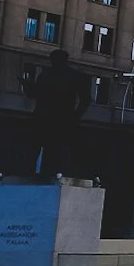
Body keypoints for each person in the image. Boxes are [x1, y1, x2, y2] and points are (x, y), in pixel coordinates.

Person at [27, 49, 92, 177]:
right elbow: (35, 93)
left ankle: (51, 173)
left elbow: (85, 99)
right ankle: (42, 172)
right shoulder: (46, 75)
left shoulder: (69, 76)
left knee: (57, 149)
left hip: (60, 118)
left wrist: (76, 116)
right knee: (44, 148)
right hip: (47, 117)